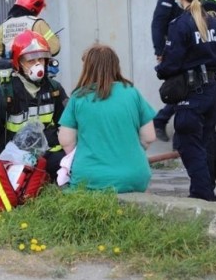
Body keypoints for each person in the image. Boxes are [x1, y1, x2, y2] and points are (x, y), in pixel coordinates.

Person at [155, 0, 216, 201]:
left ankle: (201, 195)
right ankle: (206, 193)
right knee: (204, 144)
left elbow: (171, 63)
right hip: (211, 93)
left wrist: (160, 69)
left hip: (190, 95)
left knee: (188, 146)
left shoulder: (180, 24)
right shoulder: (213, 21)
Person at [0, 30, 68, 180]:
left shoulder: (54, 89)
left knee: (68, 164)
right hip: (11, 159)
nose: (38, 65)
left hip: (47, 156)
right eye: (31, 60)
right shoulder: (1, 95)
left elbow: (68, 126)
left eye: (41, 59)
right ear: (18, 63)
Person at [57, 44, 156, 193]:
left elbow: (66, 141)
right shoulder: (132, 92)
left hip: (91, 179)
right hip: (135, 177)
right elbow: (149, 137)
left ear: (87, 68)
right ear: (116, 65)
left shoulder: (79, 97)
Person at [151, 0, 216, 142]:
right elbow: (158, 24)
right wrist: (160, 51)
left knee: (203, 132)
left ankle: (163, 122)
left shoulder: (208, 1)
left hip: (206, 67)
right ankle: (163, 123)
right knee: (182, 91)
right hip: (187, 59)